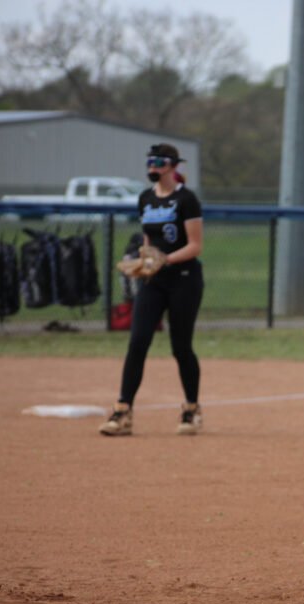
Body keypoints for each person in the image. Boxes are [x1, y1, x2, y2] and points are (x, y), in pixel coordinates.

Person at [99, 143, 205, 436]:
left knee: (181, 347)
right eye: (150, 162)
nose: (153, 167)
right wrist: (145, 261)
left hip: (184, 278)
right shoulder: (145, 199)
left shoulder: (186, 199)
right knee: (138, 341)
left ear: (173, 166)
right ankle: (123, 412)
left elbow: (195, 245)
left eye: (159, 162)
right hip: (153, 282)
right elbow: (148, 239)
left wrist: (166, 259)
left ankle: (191, 409)